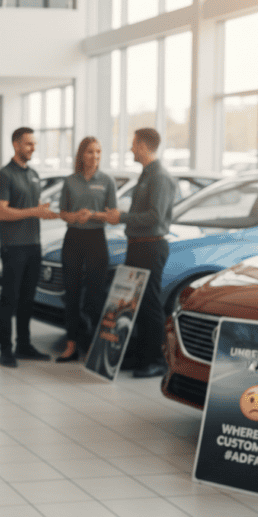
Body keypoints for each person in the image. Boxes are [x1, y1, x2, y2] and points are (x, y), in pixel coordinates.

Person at [101, 127, 176, 378]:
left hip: (151, 246)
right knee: (136, 304)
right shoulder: (146, 175)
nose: (131, 148)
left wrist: (121, 217)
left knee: (150, 303)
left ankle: (156, 360)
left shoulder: (159, 177)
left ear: (143, 146)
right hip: (138, 245)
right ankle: (140, 355)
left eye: (133, 144)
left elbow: (154, 217)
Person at [0, 127, 58, 368]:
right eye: (28, 144)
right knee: (9, 299)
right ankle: (5, 350)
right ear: (16, 145)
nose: (33, 148)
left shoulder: (34, 174)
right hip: (14, 247)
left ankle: (23, 345)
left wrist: (46, 213)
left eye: (34, 144)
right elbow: (2, 211)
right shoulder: (4, 175)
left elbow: (32, 207)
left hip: (33, 245)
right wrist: (34, 211)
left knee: (27, 300)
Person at [56, 136, 118, 362]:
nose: (95, 157)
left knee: (96, 294)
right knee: (71, 294)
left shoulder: (107, 181)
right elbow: (62, 212)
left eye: (99, 152)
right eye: (91, 152)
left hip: (96, 238)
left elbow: (113, 216)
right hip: (73, 237)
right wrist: (73, 216)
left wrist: (92, 215)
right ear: (82, 155)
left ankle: (94, 345)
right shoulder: (70, 181)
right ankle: (71, 344)